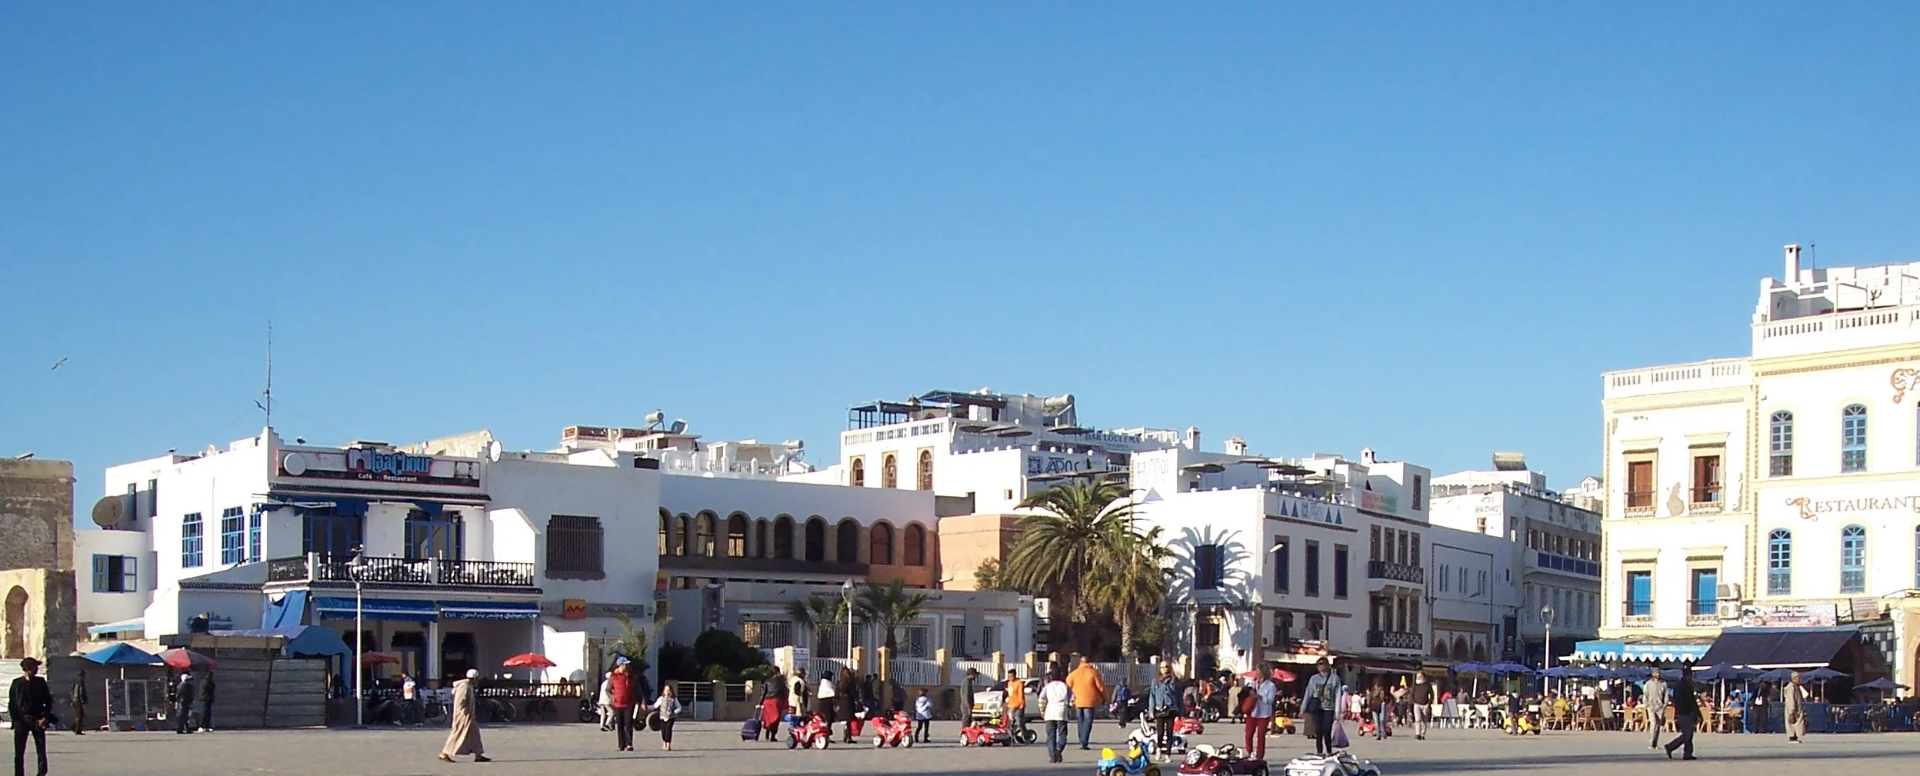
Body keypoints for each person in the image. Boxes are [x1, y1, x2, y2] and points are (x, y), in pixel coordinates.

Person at [10, 657, 53, 776]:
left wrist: (45, 717)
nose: (37, 669)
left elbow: (48, 701)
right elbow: (12, 703)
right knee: (19, 752)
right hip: (22, 720)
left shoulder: (40, 682)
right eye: (35, 667)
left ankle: (41, 772)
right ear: (28, 668)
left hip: (38, 719)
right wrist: (15, 721)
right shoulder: (17, 683)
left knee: (41, 750)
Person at [438, 669, 489, 763]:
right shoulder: (464, 686)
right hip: (463, 715)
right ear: (474, 678)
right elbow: (461, 701)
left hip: (468, 715)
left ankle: (478, 754)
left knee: (474, 734)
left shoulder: (469, 686)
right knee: (458, 733)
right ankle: (444, 753)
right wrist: (464, 711)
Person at [1066, 656, 1107, 751]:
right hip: (1090, 701)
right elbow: (1101, 687)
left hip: (1077, 701)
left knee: (1080, 721)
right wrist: (1105, 698)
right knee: (1088, 721)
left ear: (1080, 662)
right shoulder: (1093, 673)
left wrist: (1069, 698)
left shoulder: (1074, 673)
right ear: (1089, 662)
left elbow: (1067, 684)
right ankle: (1084, 741)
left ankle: (1081, 739)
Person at [1302, 658, 1340, 756]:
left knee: (1327, 730)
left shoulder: (1334, 678)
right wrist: (1303, 708)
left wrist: (1337, 712)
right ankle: (1319, 751)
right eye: (1318, 664)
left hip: (1329, 708)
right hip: (1317, 708)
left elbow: (1338, 695)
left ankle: (1329, 750)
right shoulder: (1314, 678)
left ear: (1327, 665)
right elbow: (1308, 693)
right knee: (1318, 731)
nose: (1320, 666)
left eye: (1322, 664)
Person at [1146, 662, 1179, 760]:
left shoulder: (1174, 681)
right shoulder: (1155, 681)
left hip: (1171, 709)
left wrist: (1180, 711)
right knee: (1160, 733)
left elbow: (1179, 696)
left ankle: (1168, 754)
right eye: (1162, 667)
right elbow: (1152, 696)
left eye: (1166, 667)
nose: (1164, 669)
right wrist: (1151, 710)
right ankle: (1159, 748)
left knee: (1169, 733)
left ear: (1169, 668)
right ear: (1159, 669)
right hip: (1159, 709)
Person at [1244, 663, 1277, 760]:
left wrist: (1258, 696)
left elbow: (1270, 700)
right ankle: (1250, 752)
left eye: (1258, 671)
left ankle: (1259, 756)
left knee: (1261, 735)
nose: (1257, 674)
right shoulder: (1254, 683)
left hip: (1263, 713)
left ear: (1264, 673)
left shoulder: (1271, 686)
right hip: (1253, 711)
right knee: (1248, 733)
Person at [1663, 672, 1700, 760]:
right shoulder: (1687, 686)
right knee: (1688, 733)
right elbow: (1691, 701)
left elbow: (1675, 699)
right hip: (1686, 712)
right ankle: (1672, 747)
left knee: (1687, 733)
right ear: (1689, 676)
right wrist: (1696, 712)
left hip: (1680, 711)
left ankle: (1686, 752)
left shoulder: (1677, 686)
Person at [1039, 667, 1072, 764]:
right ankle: (1058, 749)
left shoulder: (1047, 686)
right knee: (1062, 734)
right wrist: (1070, 708)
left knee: (1050, 735)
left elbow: (1041, 698)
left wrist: (1042, 711)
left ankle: (1052, 756)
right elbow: (1072, 700)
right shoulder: (1065, 686)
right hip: (1062, 710)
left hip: (1050, 710)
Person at [610, 663, 637, 751]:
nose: (625, 667)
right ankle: (621, 745)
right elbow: (607, 689)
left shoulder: (631, 677)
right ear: (619, 666)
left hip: (629, 703)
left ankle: (629, 744)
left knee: (629, 723)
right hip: (618, 704)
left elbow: (637, 689)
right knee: (620, 725)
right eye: (623, 665)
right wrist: (612, 697)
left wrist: (642, 701)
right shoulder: (613, 677)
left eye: (626, 665)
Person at [758, 667, 787, 743]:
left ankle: (767, 733)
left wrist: (760, 703)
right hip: (777, 701)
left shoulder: (767, 681)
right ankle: (773, 736)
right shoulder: (781, 681)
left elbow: (763, 693)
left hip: (767, 701)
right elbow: (785, 692)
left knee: (768, 718)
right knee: (776, 719)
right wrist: (785, 702)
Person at [651, 683, 682, 751]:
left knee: (668, 730)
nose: (667, 691)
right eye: (665, 689)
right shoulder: (661, 698)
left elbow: (679, 707)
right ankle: (664, 743)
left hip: (670, 717)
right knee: (663, 731)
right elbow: (655, 706)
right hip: (662, 717)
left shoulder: (674, 699)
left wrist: (675, 712)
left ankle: (668, 744)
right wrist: (647, 707)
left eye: (668, 690)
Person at [1644, 671, 1669, 750]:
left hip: (1660, 707)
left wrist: (1665, 704)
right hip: (1651, 707)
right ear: (1653, 674)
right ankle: (1651, 743)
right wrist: (1647, 705)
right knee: (1653, 724)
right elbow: (1645, 695)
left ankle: (1655, 743)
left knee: (1658, 726)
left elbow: (1666, 695)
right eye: (1656, 673)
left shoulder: (1663, 684)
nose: (1658, 674)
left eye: (1659, 673)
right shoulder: (1648, 684)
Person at [835, 667, 858, 743]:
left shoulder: (840, 683)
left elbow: (836, 693)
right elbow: (854, 693)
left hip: (842, 702)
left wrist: (837, 702)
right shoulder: (850, 682)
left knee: (846, 721)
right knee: (849, 721)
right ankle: (848, 737)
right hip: (849, 702)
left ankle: (845, 736)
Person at [1783, 672, 1808, 743]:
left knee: (1797, 723)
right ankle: (1792, 736)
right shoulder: (1791, 688)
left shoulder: (1797, 687)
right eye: (1798, 678)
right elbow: (1791, 700)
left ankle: (1795, 735)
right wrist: (1791, 711)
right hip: (1793, 709)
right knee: (1793, 722)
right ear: (1794, 678)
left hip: (1798, 709)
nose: (1800, 679)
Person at [1004, 669, 1028, 739]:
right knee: (1009, 723)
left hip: (1019, 706)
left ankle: (1026, 736)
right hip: (1011, 705)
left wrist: (1016, 706)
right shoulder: (1009, 683)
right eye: (1008, 676)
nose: (1010, 678)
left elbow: (1020, 697)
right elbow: (1010, 694)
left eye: (1011, 676)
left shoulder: (1019, 683)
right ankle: (1011, 737)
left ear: (1015, 675)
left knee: (1019, 722)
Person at [1410, 672, 1432, 740]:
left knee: (1424, 720)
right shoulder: (1415, 685)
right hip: (1417, 704)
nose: (1418, 678)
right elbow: (1411, 694)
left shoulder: (1428, 685)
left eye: (1420, 676)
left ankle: (1423, 734)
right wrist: (1413, 702)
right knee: (1418, 719)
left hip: (1425, 704)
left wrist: (1429, 703)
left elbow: (1432, 695)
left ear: (1423, 677)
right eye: (1417, 676)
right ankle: (1417, 734)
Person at [68, 669, 87, 736]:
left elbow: (71, 692)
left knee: (78, 715)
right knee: (80, 716)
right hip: (78, 700)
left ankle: (75, 728)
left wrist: (71, 700)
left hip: (74, 700)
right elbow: (81, 692)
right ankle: (77, 730)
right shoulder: (81, 682)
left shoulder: (74, 682)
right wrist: (83, 701)